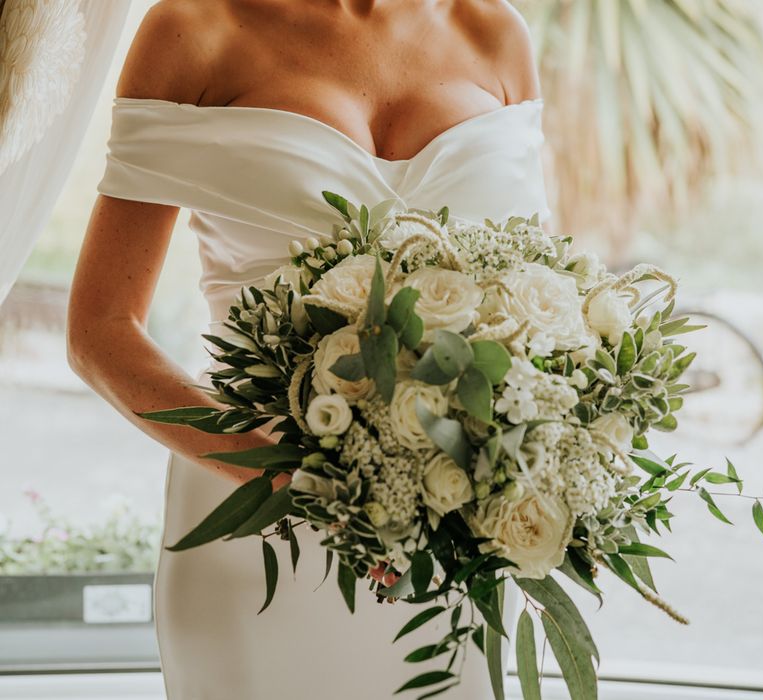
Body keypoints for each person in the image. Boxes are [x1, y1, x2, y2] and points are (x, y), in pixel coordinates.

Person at [66, 1, 550, 697]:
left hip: (455, 530)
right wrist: (285, 483)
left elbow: (538, 294)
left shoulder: (495, 33)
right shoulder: (194, 29)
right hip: (255, 521)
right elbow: (100, 331)